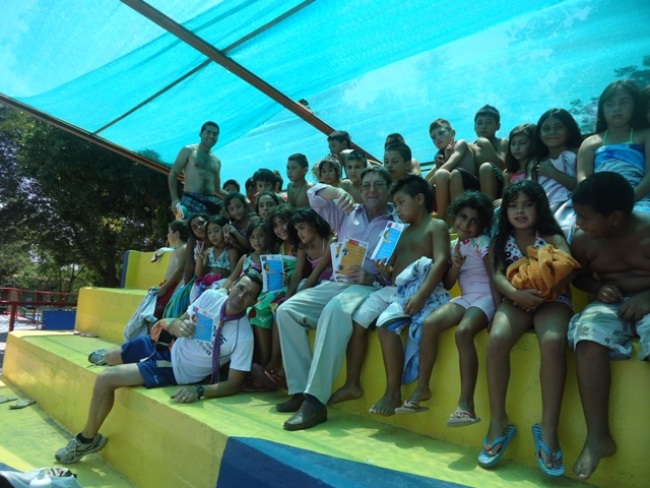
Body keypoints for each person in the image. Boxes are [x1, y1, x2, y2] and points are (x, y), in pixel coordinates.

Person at [54, 271, 263, 464]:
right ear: (233, 285)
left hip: (173, 367)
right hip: (165, 345)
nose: (241, 296)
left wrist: (198, 390)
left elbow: (234, 383)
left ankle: (87, 439)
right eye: (241, 288)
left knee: (106, 378)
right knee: (110, 356)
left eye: (249, 295)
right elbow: (177, 321)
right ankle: (111, 356)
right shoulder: (211, 297)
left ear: (253, 302)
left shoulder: (243, 336)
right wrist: (176, 325)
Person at [275, 167, 395, 431]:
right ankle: (300, 389)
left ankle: (315, 401)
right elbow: (312, 194)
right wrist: (336, 190)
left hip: (368, 287)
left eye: (378, 184)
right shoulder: (348, 213)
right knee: (286, 311)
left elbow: (392, 273)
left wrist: (373, 278)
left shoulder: (394, 223)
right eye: (366, 185)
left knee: (335, 309)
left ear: (388, 188)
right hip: (337, 282)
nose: (371, 190)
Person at [478, 180, 577, 476]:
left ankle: (548, 428)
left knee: (553, 341)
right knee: (496, 340)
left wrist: (544, 294)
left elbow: (568, 269)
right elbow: (496, 274)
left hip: (553, 300)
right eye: (513, 205)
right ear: (505, 210)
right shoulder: (500, 239)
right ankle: (498, 421)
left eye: (527, 204)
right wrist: (516, 294)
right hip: (517, 299)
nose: (519, 211)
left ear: (540, 207)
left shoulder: (552, 236)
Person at [568, 172, 650, 481]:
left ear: (615, 218)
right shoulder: (584, 240)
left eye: (584, 217)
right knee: (587, 335)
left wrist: (647, 296)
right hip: (611, 304)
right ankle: (598, 436)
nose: (577, 223)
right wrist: (597, 287)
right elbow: (579, 275)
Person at [397, 191, 495, 425]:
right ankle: (423, 388)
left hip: (487, 298)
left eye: (474, 221)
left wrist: (499, 311)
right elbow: (450, 284)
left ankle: (466, 404)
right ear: (454, 216)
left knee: (464, 332)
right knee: (429, 324)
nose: (466, 225)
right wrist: (457, 265)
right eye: (462, 217)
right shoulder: (455, 246)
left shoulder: (484, 243)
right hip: (466, 297)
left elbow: (494, 277)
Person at [360, 176, 450, 415]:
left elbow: (441, 261)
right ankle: (392, 392)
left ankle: (422, 387)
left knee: (423, 327)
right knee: (385, 325)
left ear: (419, 199)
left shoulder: (436, 226)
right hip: (402, 294)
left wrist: (421, 295)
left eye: (400, 202)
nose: (397, 209)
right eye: (395, 204)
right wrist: (384, 270)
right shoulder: (399, 234)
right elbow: (394, 276)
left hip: (429, 292)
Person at [577, 80, 650, 213]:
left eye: (623, 102)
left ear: (635, 105)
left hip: (641, 199)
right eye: (610, 104)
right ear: (602, 109)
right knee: (580, 233)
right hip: (601, 205)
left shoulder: (646, 136)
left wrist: (628, 200)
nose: (616, 108)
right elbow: (583, 180)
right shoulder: (590, 143)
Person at [425, 119, 481, 220]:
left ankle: (445, 220)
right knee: (440, 175)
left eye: (441, 133)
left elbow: (450, 164)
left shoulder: (460, 144)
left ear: (452, 133)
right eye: (433, 137)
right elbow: (428, 177)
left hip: (472, 189)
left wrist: (427, 185)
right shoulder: (440, 156)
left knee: (446, 174)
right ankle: (442, 218)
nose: (437, 138)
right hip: (455, 193)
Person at [168, 121, 226, 216]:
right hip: (190, 199)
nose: (211, 136)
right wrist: (174, 199)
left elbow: (217, 189)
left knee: (211, 229)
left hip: (210, 202)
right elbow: (173, 173)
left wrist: (240, 198)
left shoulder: (217, 161)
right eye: (208, 132)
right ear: (200, 134)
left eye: (215, 134)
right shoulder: (188, 151)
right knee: (184, 228)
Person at [192, 215, 239, 300]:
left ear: (225, 231)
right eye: (209, 232)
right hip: (206, 286)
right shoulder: (208, 252)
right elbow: (199, 274)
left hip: (221, 287)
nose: (213, 235)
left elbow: (234, 275)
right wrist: (199, 260)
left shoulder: (231, 252)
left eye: (216, 231)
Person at [474, 105, 508, 201]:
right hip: (477, 186)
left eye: (489, 123)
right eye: (480, 123)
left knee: (486, 167)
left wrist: (486, 144)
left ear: (497, 126)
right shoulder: (471, 147)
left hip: (499, 183)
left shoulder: (502, 142)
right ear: (475, 127)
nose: (484, 126)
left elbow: (503, 167)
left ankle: (488, 209)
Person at [502, 124, 536, 193]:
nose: (516, 148)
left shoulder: (538, 168)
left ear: (533, 144)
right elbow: (506, 194)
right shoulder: (508, 173)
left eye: (522, 143)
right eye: (513, 144)